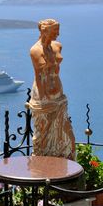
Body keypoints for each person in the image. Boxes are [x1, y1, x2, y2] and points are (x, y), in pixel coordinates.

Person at [28, 19, 75, 160]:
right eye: (55, 31)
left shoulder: (57, 46)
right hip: (43, 95)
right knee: (43, 134)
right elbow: (38, 76)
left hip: (58, 93)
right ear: (45, 31)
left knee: (67, 136)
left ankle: (65, 165)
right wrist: (43, 99)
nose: (58, 34)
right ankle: (43, 167)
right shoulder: (35, 50)